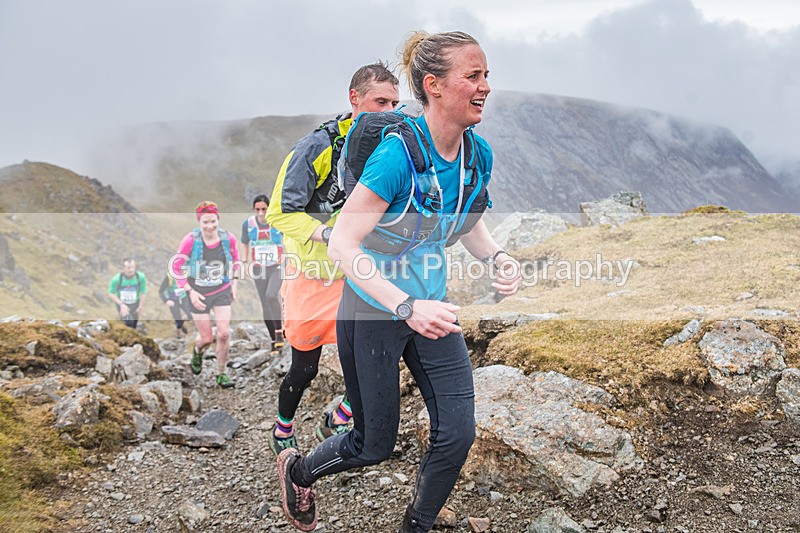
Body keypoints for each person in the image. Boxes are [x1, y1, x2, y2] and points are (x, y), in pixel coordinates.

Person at [275, 32, 522, 533]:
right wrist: (405, 305)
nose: (486, 87)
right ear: (433, 85)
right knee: (372, 444)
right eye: (473, 76)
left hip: (431, 310)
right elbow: (345, 243)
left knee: (457, 435)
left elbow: (467, 220)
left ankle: (417, 524)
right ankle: (297, 471)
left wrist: (496, 255)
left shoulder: (478, 155)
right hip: (372, 311)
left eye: (487, 75)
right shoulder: (395, 157)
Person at [265, 62, 400, 456]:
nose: (388, 111)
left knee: (374, 355)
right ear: (354, 99)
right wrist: (330, 234)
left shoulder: (390, 147)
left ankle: (338, 418)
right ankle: (282, 428)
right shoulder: (316, 147)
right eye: (380, 101)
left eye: (395, 103)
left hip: (357, 272)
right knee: (305, 368)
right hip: (312, 273)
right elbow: (279, 212)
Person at [170, 201, 241, 388]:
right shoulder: (190, 240)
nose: (210, 226)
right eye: (205, 223)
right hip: (197, 293)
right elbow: (176, 267)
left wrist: (234, 283)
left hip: (221, 290)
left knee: (224, 334)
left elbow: (236, 261)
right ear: (199, 222)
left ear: (218, 219)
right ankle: (197, 351)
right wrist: (190, 291)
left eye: (213, 222)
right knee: (207, 338)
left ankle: (221, 374)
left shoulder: (228, 238)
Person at [240, 194, 284, 351]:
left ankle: (279, 331)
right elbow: (244, 242)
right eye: (257, 209)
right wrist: (244, 263)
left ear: (269, 208)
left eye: (264, 209)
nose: (260, 213)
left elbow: (290, 239)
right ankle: (274, 341)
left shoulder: (277, 221)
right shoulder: (249, 224)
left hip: (277, 266)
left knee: (271, 295)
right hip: (259, 268)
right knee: (265, 304)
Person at [108, 258, 146, 329]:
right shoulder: (117, 279)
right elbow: (110, 293)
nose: (131, 270)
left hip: (135, 303)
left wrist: (140, 306)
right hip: (122, 304)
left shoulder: (140, 277)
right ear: (123, 268)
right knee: (128, 322)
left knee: (134, 324)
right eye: (128, 268)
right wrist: (121, 304)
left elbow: (143, 292)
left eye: (132, 267)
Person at [158, 273, 191, 338]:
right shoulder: (169, 277)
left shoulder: (186, 274)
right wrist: (166, 300)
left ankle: (182, 323)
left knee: (190, 314)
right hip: (173, 300)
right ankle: (178, 334)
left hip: (183, 298)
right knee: (177, 318)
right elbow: (161, 291)